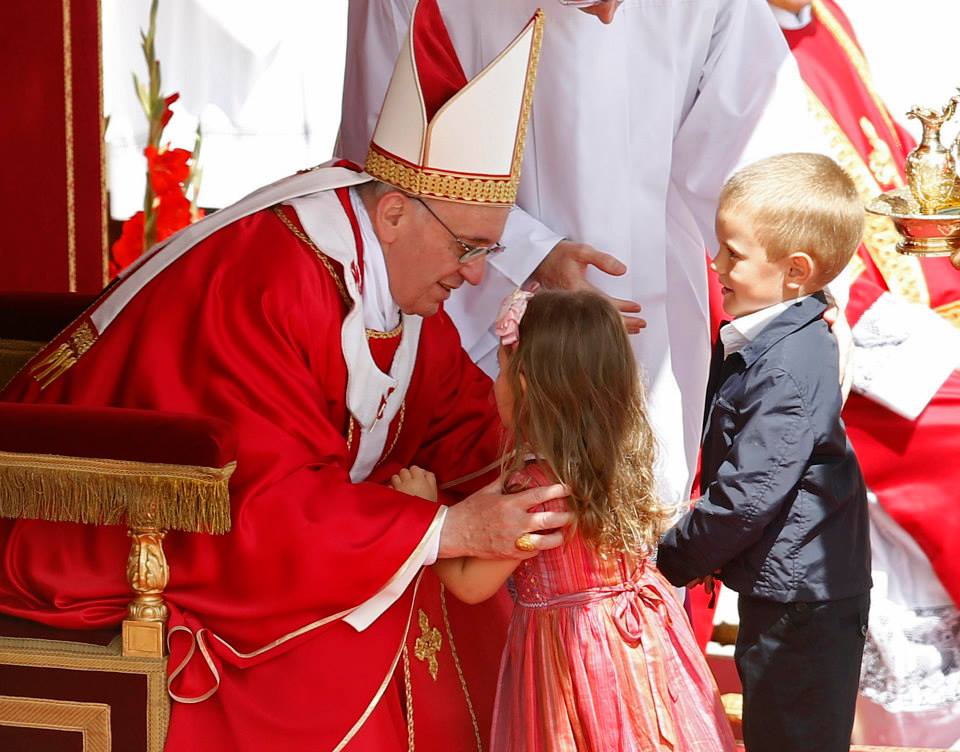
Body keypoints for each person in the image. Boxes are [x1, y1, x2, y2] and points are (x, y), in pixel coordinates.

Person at [0, 3, 568, 750]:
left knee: (470, 591)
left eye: (485, 253)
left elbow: (454, 417)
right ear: (393, 212)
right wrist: (447, 525)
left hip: (257, 522)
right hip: (128, 524)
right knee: (388, 611)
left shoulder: (388, 272)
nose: (473, 274)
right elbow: (258, 500)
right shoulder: (272, 282)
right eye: (468, 247)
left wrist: (543, 471)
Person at [341, 0, 822, 511]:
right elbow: (382, 163)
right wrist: (530, 252)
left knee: (641, 510)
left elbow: (758, 158)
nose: (611, 17)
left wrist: (796, 303)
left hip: (651, 311)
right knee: (499, 511)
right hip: (478, 302)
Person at [391, 288, 736, 751]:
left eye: (501, 368)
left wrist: (425, 513)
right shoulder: (622, 459)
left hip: (571, 658)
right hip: (638, 641)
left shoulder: (537, 490)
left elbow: (471, 585)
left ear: (527, 383)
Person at [656, 153, 872, 752]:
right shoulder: (788, 333)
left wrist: (666, 559)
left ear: (795, 271)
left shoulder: (786, 372)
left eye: (733, 253)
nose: (716, 265)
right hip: (792, 586)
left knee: (789, 735)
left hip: (802, 600)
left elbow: (749, 496)